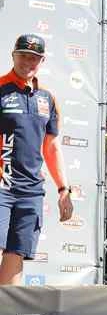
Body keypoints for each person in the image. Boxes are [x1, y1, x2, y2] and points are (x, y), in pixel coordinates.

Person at [0, 34, 72, 285]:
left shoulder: (47, 98)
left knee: (16, 253)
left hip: (30, 191)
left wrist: (63, 189)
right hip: (1, 186)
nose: (27, 62)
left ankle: (7, 309)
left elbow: (51, 147)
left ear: (41, 61)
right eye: (23, 55)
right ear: (13, 56)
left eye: (34, 58)